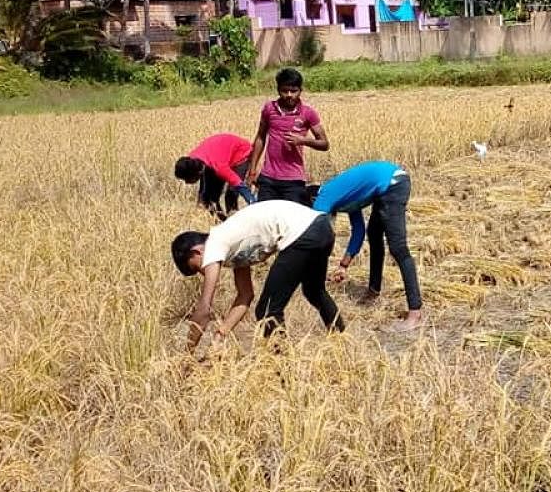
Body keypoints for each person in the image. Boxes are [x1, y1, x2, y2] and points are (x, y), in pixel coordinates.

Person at [170, 200, 342, 353]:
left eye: (197, 267)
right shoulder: (232, 243)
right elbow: (245, 296)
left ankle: (283, 365)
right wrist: (221, 334)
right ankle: (340, 343)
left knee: (267, 310)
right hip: (321, 227)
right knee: (314, 291)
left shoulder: (215, 243)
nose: (204, 271)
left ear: (196, 251)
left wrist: (187, 354)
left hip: (303, 234)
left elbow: (204, 308)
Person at [312, 160, 423, 330]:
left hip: (393, 184)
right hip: (385, 186)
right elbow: (358, 231)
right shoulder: (343, 196)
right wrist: (343, 266)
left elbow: (317, 235)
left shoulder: (323, 197)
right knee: (374, 234)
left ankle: (415, 313)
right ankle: (373, 291)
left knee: (398, 248)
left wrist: (315, 270)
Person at [245, 67, 329, 203]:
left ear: (300, 90)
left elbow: (324, 144)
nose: (289, 95)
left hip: (293, 180)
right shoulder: (269, 109)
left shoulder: (308, 113)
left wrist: (302, 140)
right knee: (266, 220)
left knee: (292, 221)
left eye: (294, 91)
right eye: (285, 91)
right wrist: (253, 170)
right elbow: (260, 137)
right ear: (278, 90)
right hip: (268, 178)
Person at [174, 132, 257, 220]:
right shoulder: (192, 160)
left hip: (240, 152)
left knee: (231, 193)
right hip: (219, 152)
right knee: (210, 198)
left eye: (186, 179)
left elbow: (240, 186)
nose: (186, 183)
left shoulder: (219, 167)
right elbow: (204, 193)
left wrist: (255, 203)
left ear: (196, 173)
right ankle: (221, 222)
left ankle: (234, 220)